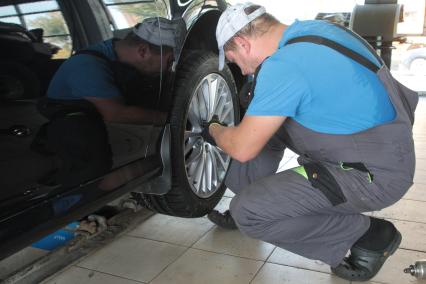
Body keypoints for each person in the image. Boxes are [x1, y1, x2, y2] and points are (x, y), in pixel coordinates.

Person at [204, 2, 418, 282]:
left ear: (243, 44)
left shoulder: (285, 67)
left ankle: (367, 236)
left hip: (370, 174)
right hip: (384, 148)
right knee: (265, 127)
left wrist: (216, 130)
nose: (243, 71)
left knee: (249, 211)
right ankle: (262, 199)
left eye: (234, 61)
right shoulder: (316, 32)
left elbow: (242, 148)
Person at [36, 17, 183, 187]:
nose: (168, 68)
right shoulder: (87, 67)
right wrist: (174, 119)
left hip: (93, 110)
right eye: (169, 61)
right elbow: (116, 113)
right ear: (143, 51)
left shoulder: (116, 51)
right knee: (92, 171)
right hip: (68, 116)